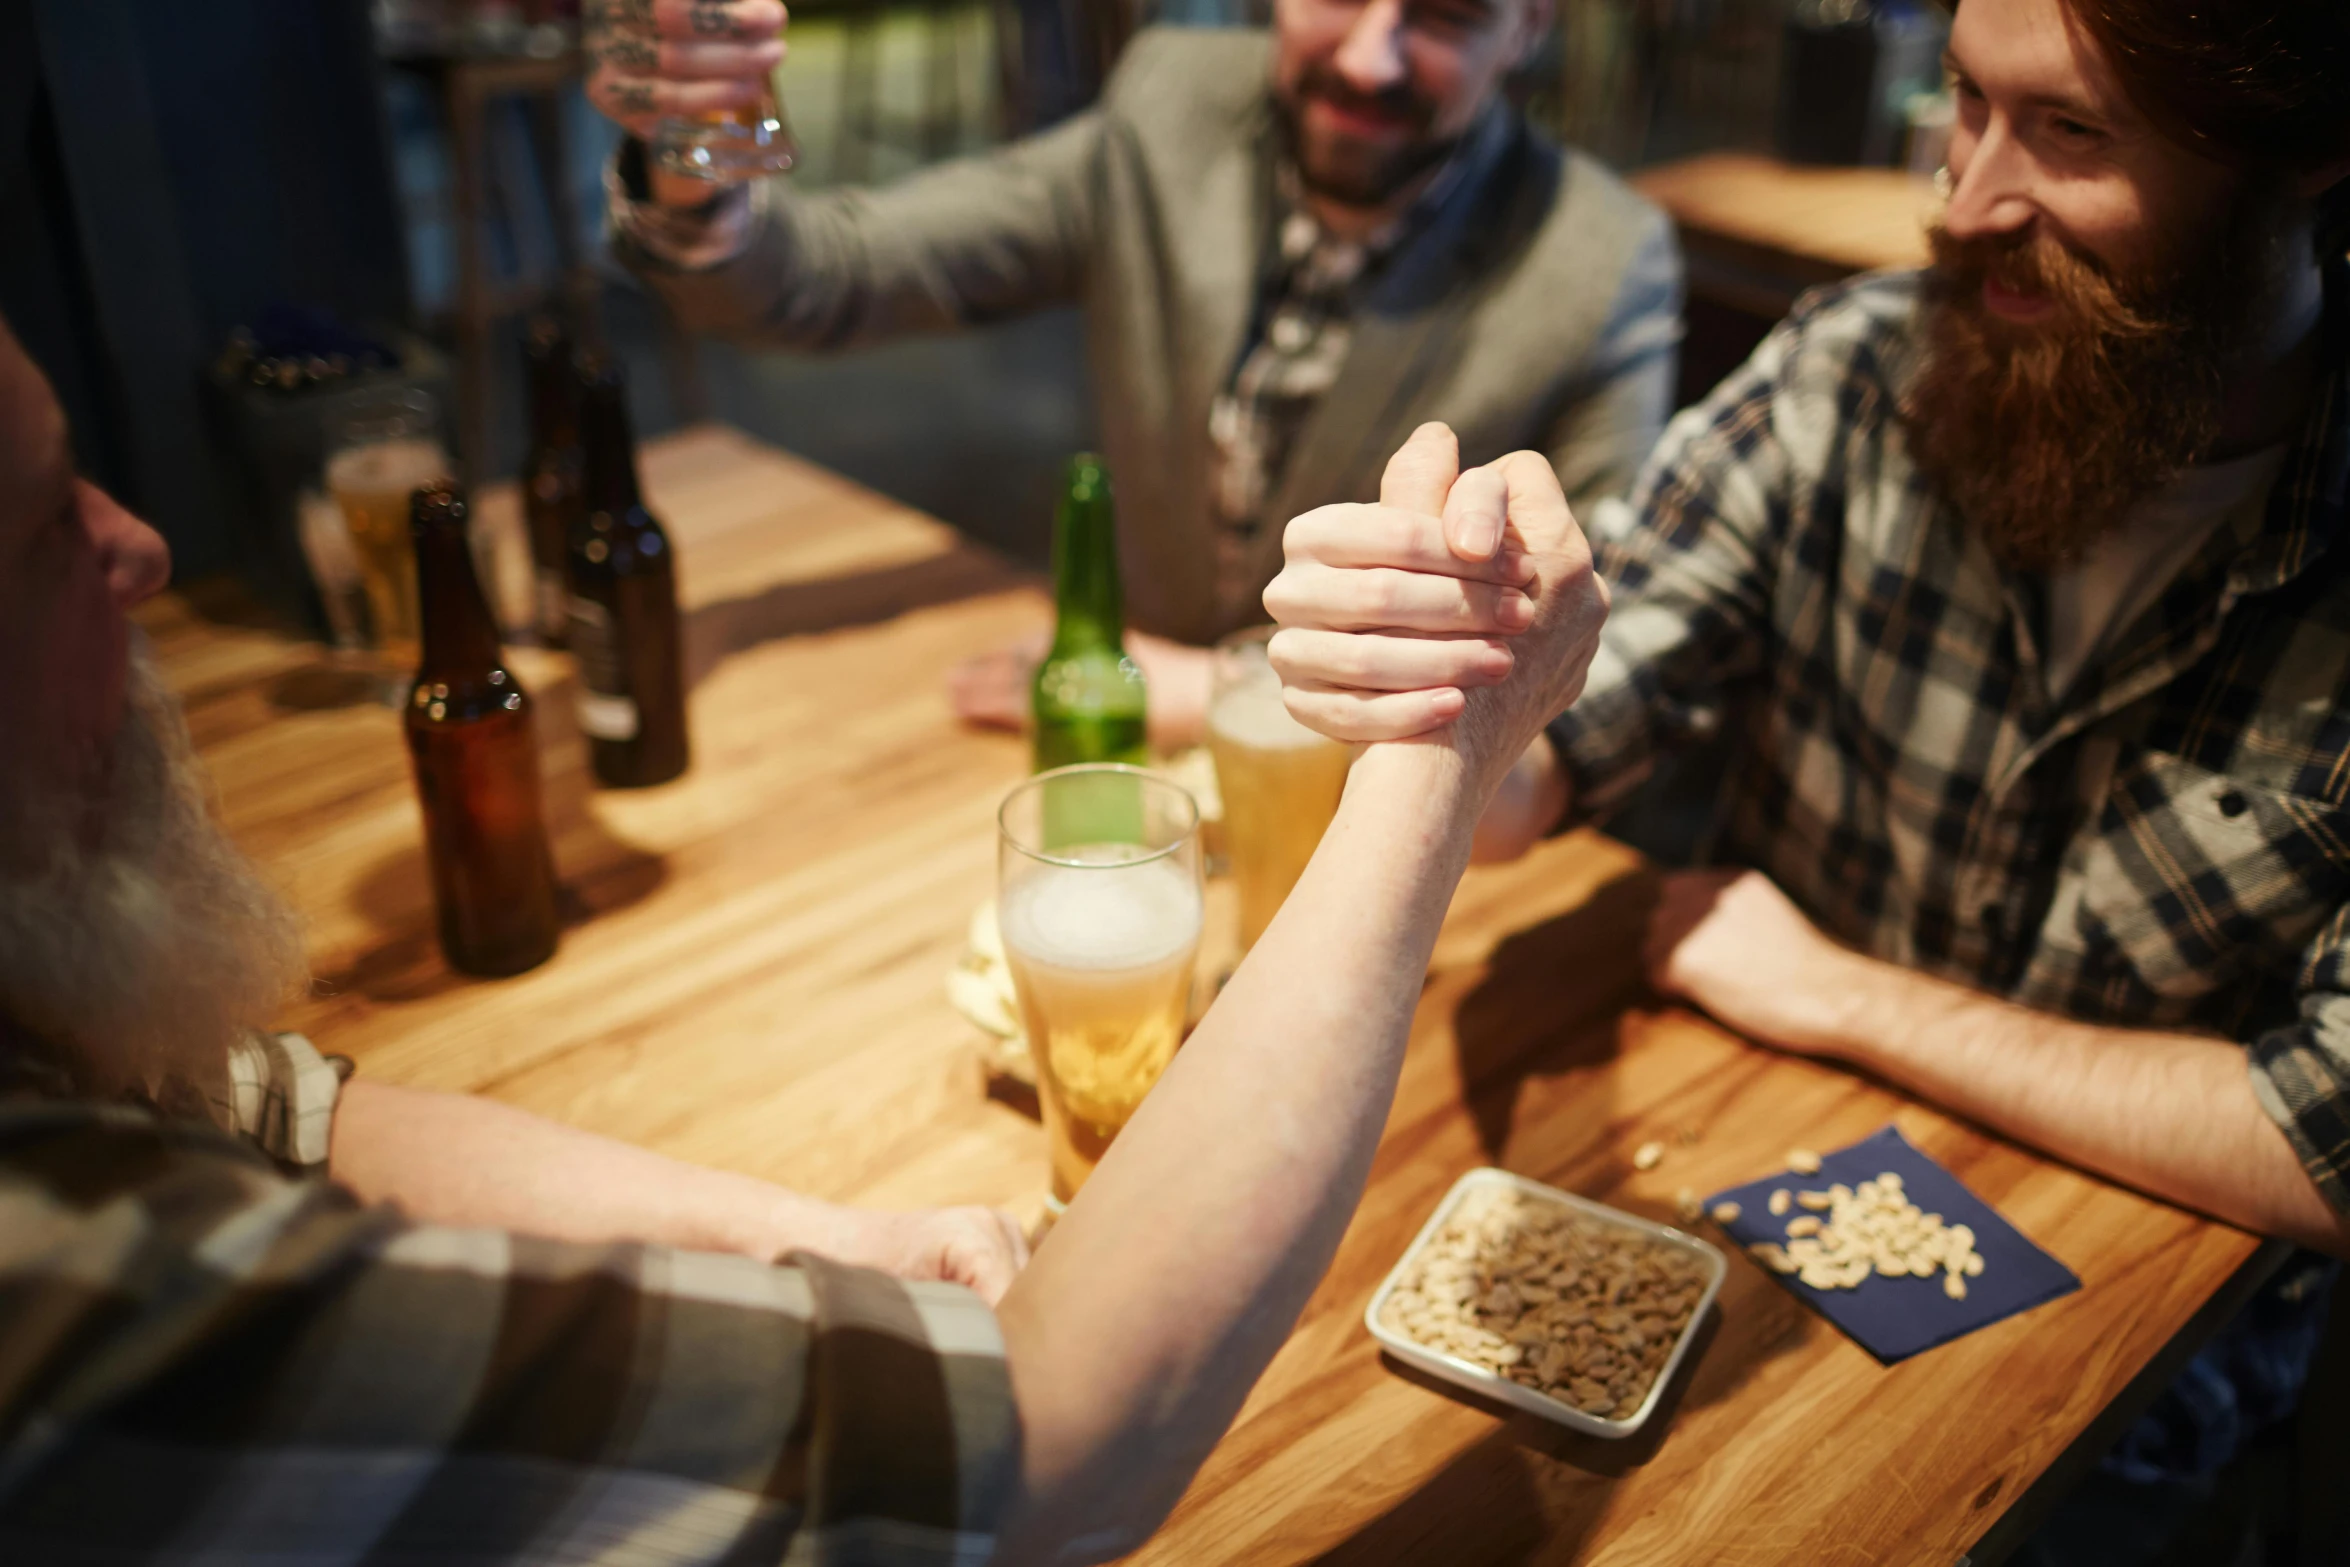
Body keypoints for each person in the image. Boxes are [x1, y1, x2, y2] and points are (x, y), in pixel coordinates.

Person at [0, 298, 1608, 1562]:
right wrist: (1434, 763)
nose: (133, 538)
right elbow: (1047, 1448)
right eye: (39, 532)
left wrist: (824, 1239)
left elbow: (295, 1113)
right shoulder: (74, 1288)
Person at [1265, 0, 2349, 1553]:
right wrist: (1457, 703)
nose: (1966, 201)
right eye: (1965, 102)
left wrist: (1836, 990)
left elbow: (2324, 1141)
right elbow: (1563, 745)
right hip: (1746, 1230)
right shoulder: (1856, 368)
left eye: (2069, 133)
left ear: (2307, 152)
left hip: (2128, 1412)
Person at [583, 0, 1677, 745]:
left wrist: (1226, 691)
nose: (1367, 58)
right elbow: (830, 279)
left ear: (1529, 25)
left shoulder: (1596, 260)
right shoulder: (1174, 105)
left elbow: (1606, 654)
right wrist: (698, 142)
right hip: (1128, 772)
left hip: (1397, 815)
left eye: (1446, 14)